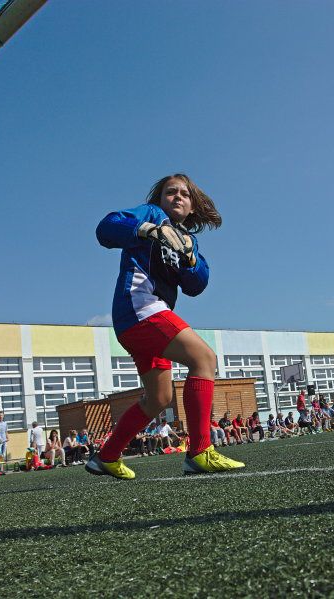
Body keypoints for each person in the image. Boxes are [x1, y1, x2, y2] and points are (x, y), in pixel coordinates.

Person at [88, 174, 243, 479]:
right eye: (171, 192)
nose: (178, 197)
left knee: (158, 398)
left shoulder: (189, 240)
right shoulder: (151, 214)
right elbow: (105, 229)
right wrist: (147, 230)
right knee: (204, 359)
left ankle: (106, 457)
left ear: (192, 207)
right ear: (159, 200)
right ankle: (200, 452)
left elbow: (196, 286)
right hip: (139, 308)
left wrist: (191, 260)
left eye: (185, 194)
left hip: (144, 319)